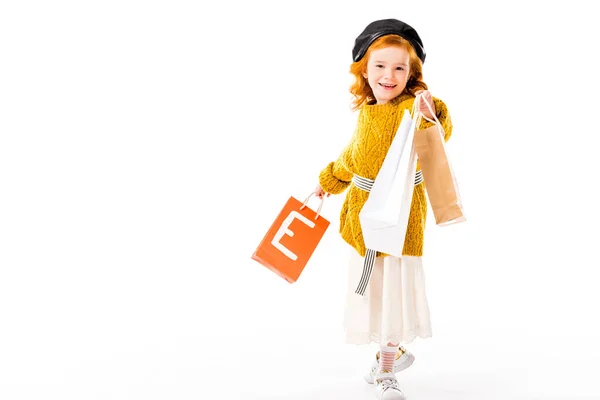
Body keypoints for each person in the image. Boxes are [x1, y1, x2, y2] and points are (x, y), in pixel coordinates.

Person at [314, 18, 453, 400]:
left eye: (399, 68)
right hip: (365, 214)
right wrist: (328, 182)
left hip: (400, 215)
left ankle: (387, 370)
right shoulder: (367, 111)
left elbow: (439, 126)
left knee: (394, 285)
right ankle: (388, 355)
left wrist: (433, 109)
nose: (388, 75)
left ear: (411, 74)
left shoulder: (412, 107)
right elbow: (353, 158)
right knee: (375, 289)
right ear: (364, 69)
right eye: (379, 66)